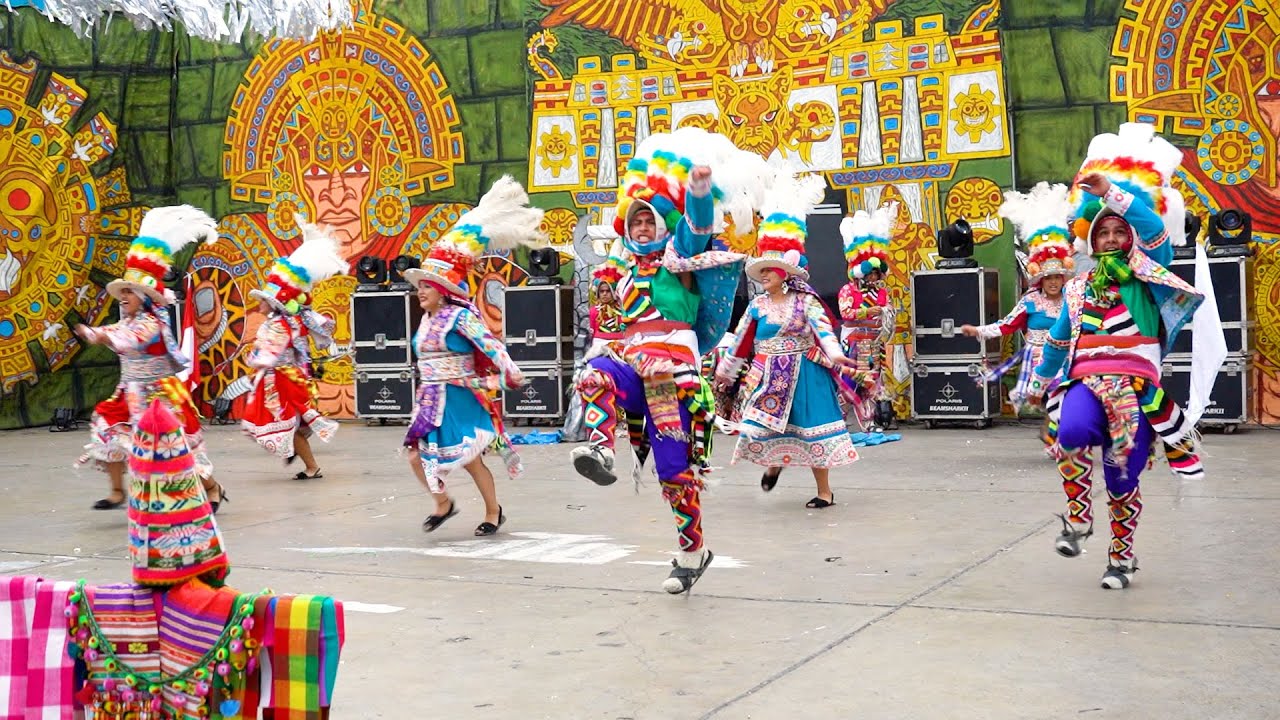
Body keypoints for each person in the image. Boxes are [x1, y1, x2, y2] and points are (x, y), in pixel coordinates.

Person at [568, 127, 769, 594]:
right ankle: (601, 449)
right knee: (594, 374)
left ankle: (691, 552)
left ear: (662, 223)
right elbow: (606, 328)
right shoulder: (615, 273)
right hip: (630, 365)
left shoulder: (681, 256)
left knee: (675, 472)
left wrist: (698, 191)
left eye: (649, 220)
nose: (642, 227)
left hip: (672, 376)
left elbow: (697, 227)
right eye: (635, 221)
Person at [1026, 123, 1220, 590]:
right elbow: (1057, 339)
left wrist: (1109, 191)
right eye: (1103, 232)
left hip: (1135, 387)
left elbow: (1152, 228)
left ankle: (1121, 558)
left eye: (1119, 231)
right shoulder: (1076, 288)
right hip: (1085, 381)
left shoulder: (1150, 274)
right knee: (1068, 433)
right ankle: (1077, 517)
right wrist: (1038, 384)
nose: (1111, 238)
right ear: (1090, 241)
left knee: (1121, 472)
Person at [402, 176, 539, 536]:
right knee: (416, 456)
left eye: (426, 286)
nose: (420, 291)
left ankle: (494, 511)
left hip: (460, 397)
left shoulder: (460, 316)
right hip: (430, 397)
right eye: (419, 286)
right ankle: (442, 503)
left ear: (444, 291)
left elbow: (492, 344)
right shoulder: (427, 320)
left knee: (469, 458)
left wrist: (511, 371)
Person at [715, 171, 860, 507]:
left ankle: (825, 491)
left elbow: (824, 329)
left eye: (770, 270)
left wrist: (836, 355)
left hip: (807, 373)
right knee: (764, 426)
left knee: (812, 431)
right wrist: (727, 369)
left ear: (785, 272)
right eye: (761, 270)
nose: (764, 276)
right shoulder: (757, 305)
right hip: (768, 375)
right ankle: (776, 462)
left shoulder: (805, 302)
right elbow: (741, 340)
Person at [76, 205, 227, 513]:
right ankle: (118, 491)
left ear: (144, 297)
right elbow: (114, 331)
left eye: (129, 293)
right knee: (105, 425)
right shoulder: (129, 320)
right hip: (130, 393)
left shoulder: (149, 323)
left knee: (177, 449)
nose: (124, 297)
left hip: (159, 396)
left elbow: (129, 340)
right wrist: (93, 332)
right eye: (123, 293)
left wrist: (103, 337)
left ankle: (213, 488)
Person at [960, 182, 1075, 446]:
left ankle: (1059, 436)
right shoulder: (1031, 301)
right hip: (1039, 360)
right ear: (1040, 280)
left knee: (1067, 399)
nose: (1054, 282)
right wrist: (978, 330)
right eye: (1049, 278)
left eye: (1058, 277)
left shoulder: (1073, 298)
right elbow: (1006, 325)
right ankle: (1056, 435)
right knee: (1054, 400)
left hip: (1068, 358)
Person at [240, 224, 347, 478]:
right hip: (283, 378)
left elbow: (268, 354)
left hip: (283, 380)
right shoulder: (281, 322)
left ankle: (310, 465)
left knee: (289, 426)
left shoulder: (280, 324)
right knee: (287, 425)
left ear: (274, 303)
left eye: (263, 300)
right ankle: (298, 457)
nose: (259, 303)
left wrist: (252, 358)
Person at [838, 203, 899, 432]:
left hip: (875, 344)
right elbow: (846, 314)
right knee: (851, 385)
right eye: (870, 273)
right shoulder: (848, 290)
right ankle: (839, 420)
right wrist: (868, 311)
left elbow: (889, 312)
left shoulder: (882, 292)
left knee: (872, 385)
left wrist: (886, 313)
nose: (873, 277)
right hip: (856, 343)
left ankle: (869, 422)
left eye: (876, 273)